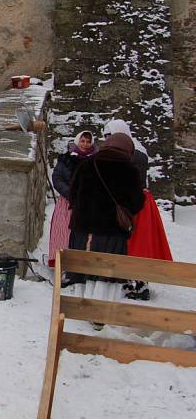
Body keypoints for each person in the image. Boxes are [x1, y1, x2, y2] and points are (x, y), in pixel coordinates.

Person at [65, 133, 145, 314]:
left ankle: (79, 308)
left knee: (82, 267)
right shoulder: (130, 171)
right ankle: (100, 313)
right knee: (106, 272)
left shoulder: (88, 164)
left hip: (83, 230)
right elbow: (137, 202)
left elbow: (73, 193)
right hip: (112, 232)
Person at [102, 119, 171, 300]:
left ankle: (136, 282)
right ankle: (138, 281)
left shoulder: (128, 154)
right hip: (141, 201)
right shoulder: (139, 151)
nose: (108, 139)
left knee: (133, 243)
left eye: (110, 135)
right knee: (138, 242)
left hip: (131, 203)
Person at [47, 131, 97, 267]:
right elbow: (57, 178)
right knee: (63, 232)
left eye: (88, 141)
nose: (85, 144)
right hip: (67, 201)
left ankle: (80, 263)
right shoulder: (65, 159)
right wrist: (70, 193)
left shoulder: (96, 161)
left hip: (87, 203)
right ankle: (60, 261)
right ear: (77, 141)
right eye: (82, 141)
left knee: (84, 234)